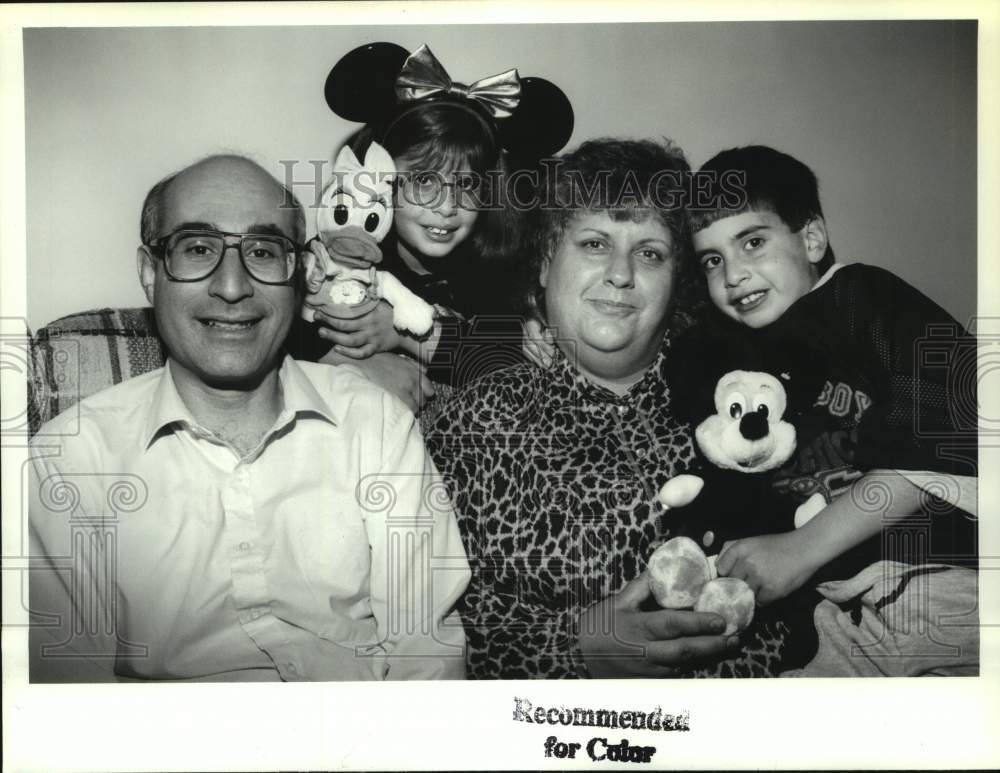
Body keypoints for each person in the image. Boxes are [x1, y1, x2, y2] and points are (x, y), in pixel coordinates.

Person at [28, 154, 471, 682]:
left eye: (263, 251)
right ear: (150, 273)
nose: (233, 286)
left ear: (302, 274)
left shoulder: (376, 423)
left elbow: (428, 656)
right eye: (198, 248)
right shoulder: (69, 462)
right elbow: (68, 699)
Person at [424, 138, 798, 679]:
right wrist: (577, 647)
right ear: (546, 262)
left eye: (650, 254)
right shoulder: (472, 424)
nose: (621, 274)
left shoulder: (750, 399)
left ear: (677, 283)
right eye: (595, 244)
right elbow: (435, 622)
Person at [688, 145, 978, 607]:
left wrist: (802, 549)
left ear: (811, 240)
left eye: (753, 243)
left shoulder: (862, 298)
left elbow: (946, 424)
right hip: (838, 603)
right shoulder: (737, 352)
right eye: (712, 260)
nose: (733, 274)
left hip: (944, 566)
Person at [294, 42, 574, 412]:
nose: (447, 207)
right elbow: (281, 332)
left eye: (467, 185)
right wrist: (353, 364)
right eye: (425, 181)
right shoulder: (340, 256)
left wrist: (406, 336)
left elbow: (511, 373)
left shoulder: (501, 275)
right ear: (382, 177)